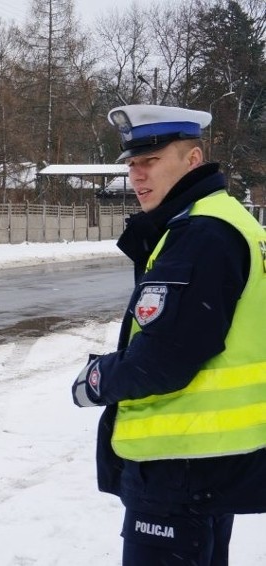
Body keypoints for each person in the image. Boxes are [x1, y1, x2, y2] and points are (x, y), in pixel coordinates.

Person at [70, 105, 266, 565]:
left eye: (152, 161)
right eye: (132, 164)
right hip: (209, 460)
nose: (137, 176)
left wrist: (98, 379)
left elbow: (164, 358)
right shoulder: (227, 219)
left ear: (193, 160)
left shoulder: (202, 233)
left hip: (180, 468)